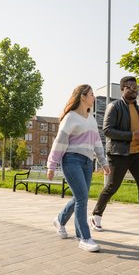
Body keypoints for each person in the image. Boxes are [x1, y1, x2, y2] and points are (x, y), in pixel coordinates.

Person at [91, 76, 139, 237]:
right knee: (112, 187)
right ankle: (96, 215)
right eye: (130, 87)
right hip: (119, 154)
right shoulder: (114, 106)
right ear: (123, 89)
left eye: (136, 87)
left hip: (137, 154)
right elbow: (107, 130)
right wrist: (133, 135)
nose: (134, 90)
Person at [47, 84, 110, 252]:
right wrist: (52, 165)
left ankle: (60, 220)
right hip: (72, 160)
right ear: (82, 96)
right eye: (91, 94)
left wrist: (103, 162)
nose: (94, 98)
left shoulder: (90, 118)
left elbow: (97, 142)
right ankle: (84, 237)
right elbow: (59, 142)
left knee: (79, 197)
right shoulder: (70, 117)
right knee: (82, 198)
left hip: (88, 162)